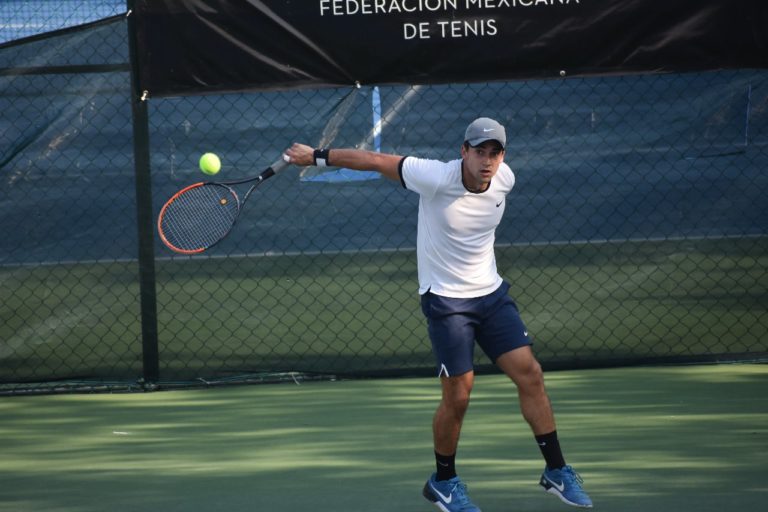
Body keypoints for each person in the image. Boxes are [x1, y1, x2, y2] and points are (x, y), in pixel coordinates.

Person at [283, 117, 593, 511]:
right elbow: (376, 160)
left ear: (503, 157)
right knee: (459, 395)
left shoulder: (505, 179)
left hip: (491, 295)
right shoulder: (433, 176)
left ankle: (556, 471)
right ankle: (443, 481)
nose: (487, 161)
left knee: (530, 373)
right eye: (479, 151)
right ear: (463, 152)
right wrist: (317, 157)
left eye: (494, 153)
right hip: (447, 302)